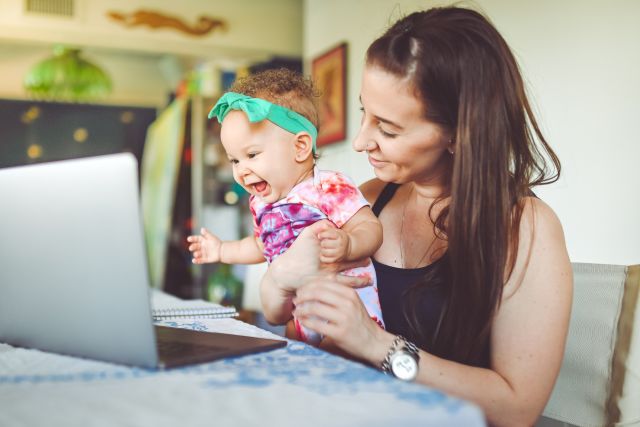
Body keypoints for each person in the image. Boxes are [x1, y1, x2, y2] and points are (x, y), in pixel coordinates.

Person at [259, 7, 573, 426]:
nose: (359, 141)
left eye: (387, 129)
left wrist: (376, 344)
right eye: (362, 113)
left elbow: (517, 409)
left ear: (459, 133)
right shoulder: (364, 204)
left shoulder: (526, 227)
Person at [187, 69, 384, 346]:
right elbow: (259, 246)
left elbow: (370, 227)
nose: (242, 171)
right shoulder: (261, 204)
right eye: (234, 161)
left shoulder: (327, 186)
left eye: (252, 155)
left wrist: (349, 243)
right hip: (301, 317)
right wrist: (222, 250)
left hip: (348, 310)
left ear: (300, 147)